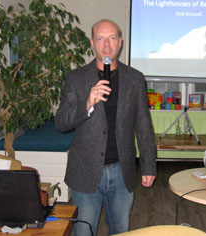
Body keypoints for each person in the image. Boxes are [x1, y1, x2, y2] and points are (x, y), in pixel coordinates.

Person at [55, 19, 157, 236]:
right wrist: (87, 103)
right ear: (92, 43)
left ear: (120, 42)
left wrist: (149, 165)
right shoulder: (76, 78)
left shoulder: (135, 79)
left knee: (120, 231)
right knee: (83, 231)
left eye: (112, 38)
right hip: (85, 171)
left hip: (122, 171)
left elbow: (144, 125)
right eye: (100, 38)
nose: (107, 45)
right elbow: (61, 123)